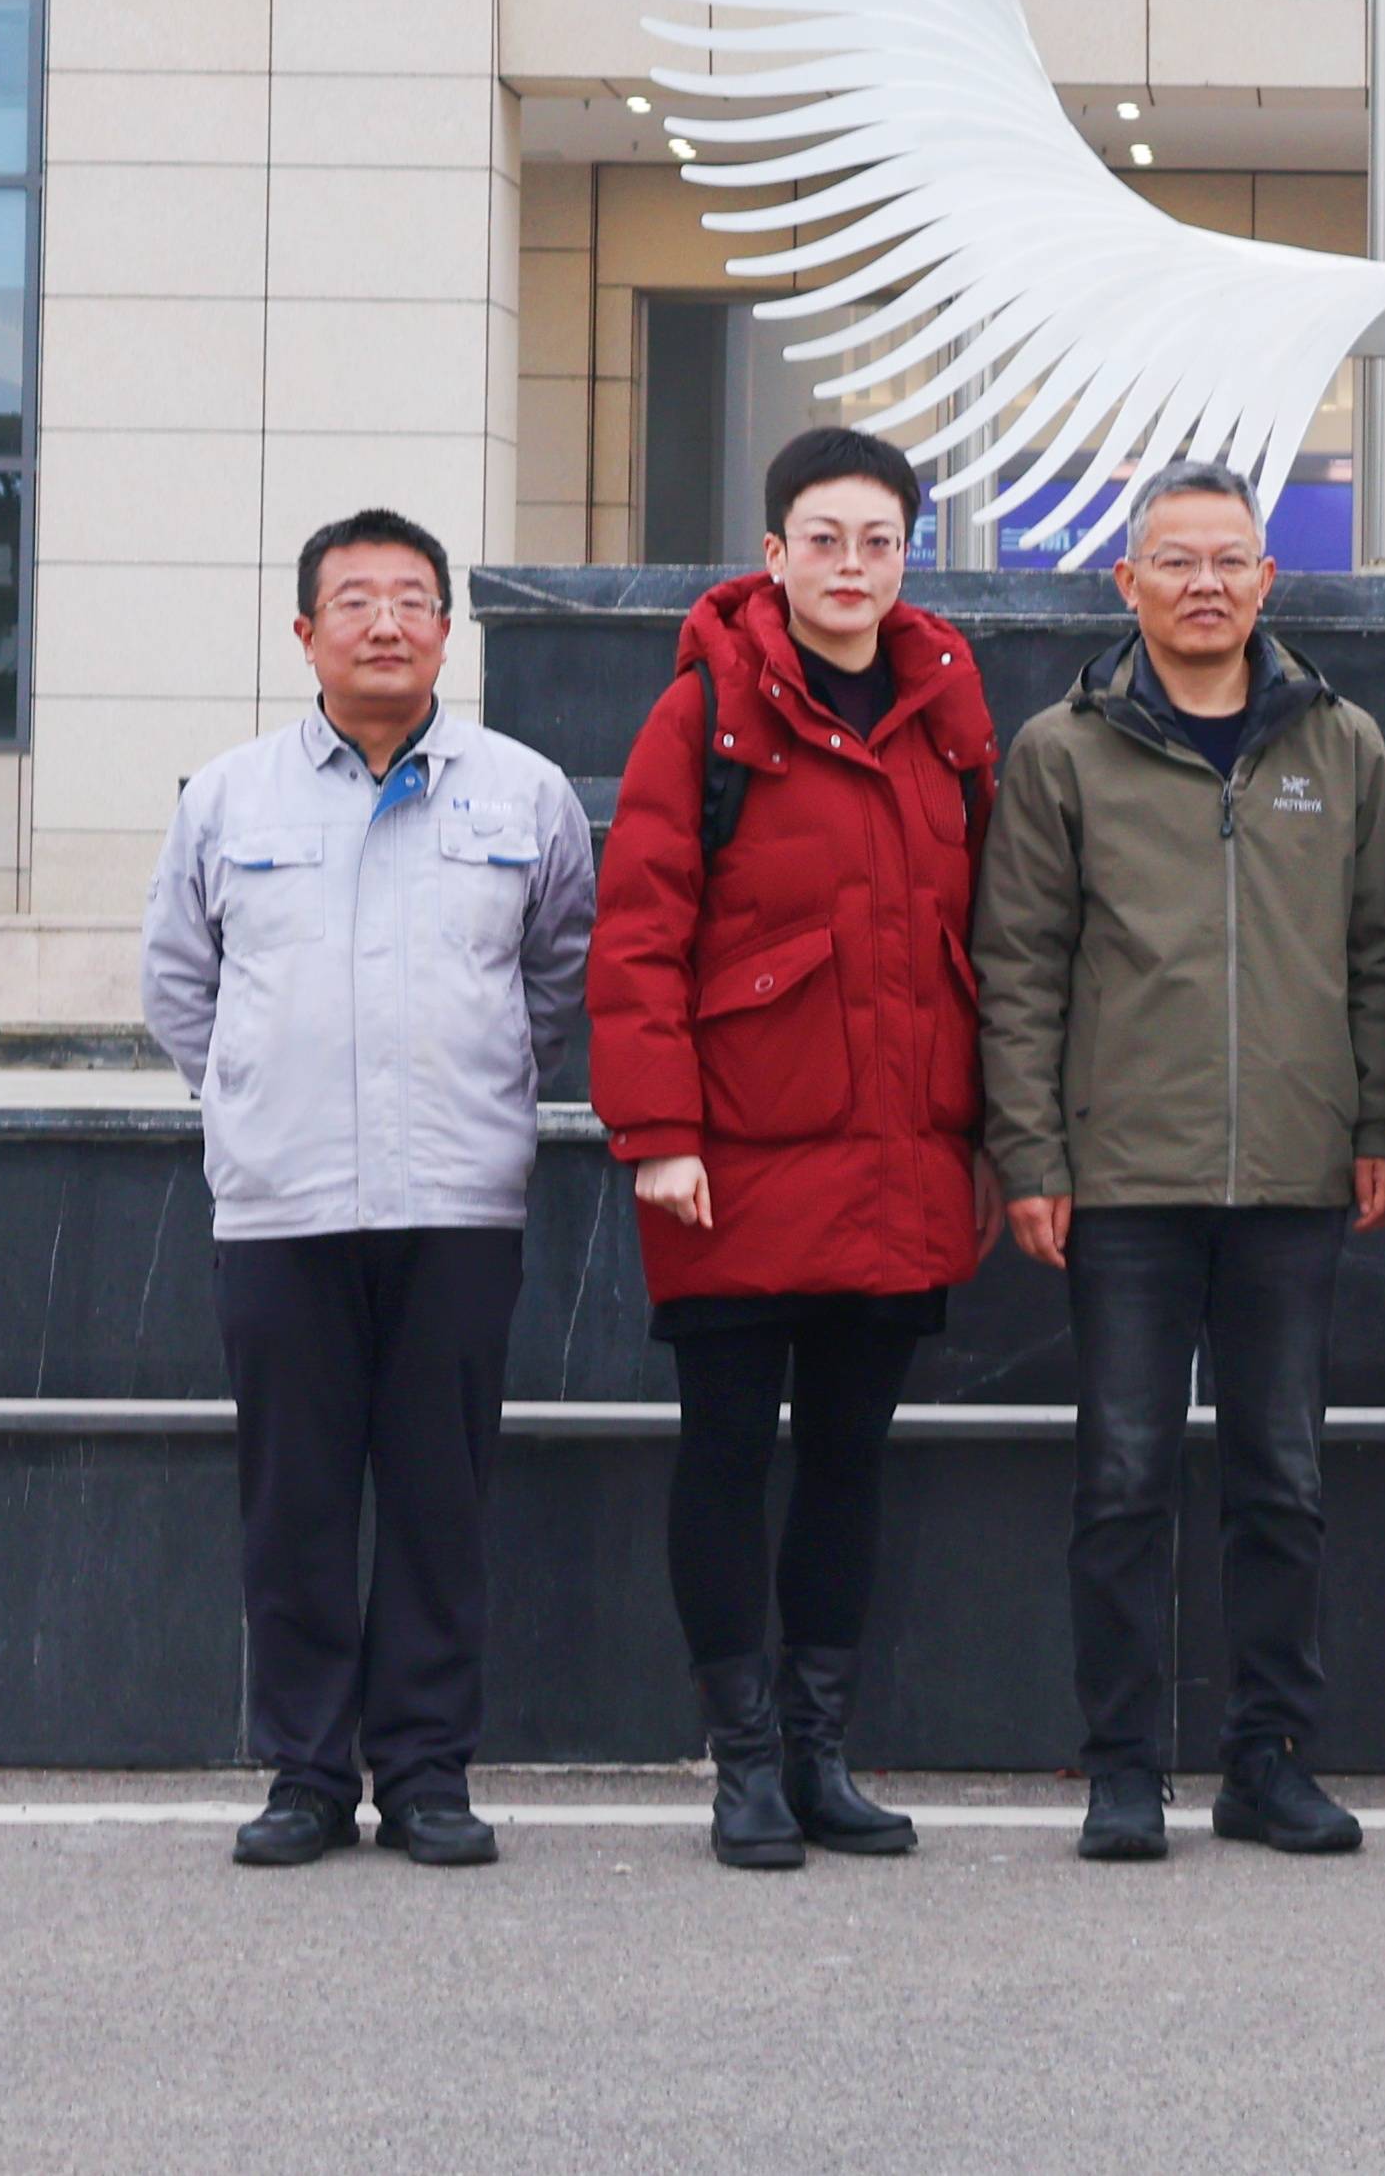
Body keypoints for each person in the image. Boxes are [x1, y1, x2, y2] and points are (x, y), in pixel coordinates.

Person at [971, 458, 1385, 1863]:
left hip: (1292, 1174)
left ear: (1268, 580)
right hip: (1122, 1181)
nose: (1204, 584)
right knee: (1122, 1481)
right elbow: (1019, 967)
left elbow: (1381, 957)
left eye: (1229, 560)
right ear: (1129, 581)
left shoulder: (1340, 742)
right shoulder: (1063, 749)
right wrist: (1030, 1153)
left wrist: (1376, 1128)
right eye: (1176, 560)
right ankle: (1121, 1765)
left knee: (1283, 1479)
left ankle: (1267, 1760)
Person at [144, 508, 594, 1872]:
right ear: (306, 633)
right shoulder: (230, 798)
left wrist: (484, 1087)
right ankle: (304, 1772)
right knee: (294, 1503)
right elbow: (179, 988)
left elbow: (559, 976)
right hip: (283, 1204)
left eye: (411, 599)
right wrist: (251, 1097)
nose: (385, 622)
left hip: (458, 1201)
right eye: (354, 601)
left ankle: (426, 1772)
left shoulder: (525, 793)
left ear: (448, 630)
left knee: (439, 1500)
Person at [586, 425, 1001, 1871]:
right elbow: (639, 933)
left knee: (845, 1461)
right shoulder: (702, 711)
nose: (850, 566)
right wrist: (658, 1129)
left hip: (896, 1156)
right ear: (773, 553)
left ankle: (822, 1756)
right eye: (823, 539)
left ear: (908, 557)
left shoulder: (946, 710)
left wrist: (986, 1137)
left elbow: (978, 940)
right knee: (724, 1454)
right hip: (733, 1163)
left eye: (878, 541)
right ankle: (744, 1764)